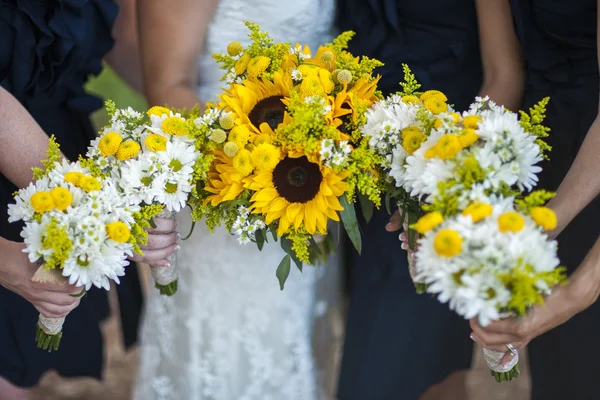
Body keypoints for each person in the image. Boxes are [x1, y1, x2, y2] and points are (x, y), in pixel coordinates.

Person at [133, 0, 343, 399]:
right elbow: (167, 84)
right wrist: (258, 155)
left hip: (314, 185)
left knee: (294, 342)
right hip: (228, 184)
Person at [335, 0, 525, 398]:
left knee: (391, 377)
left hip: (437, 186)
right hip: (353, 187)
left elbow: (504, 75)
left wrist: (441, 178)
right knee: (413, 370)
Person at [0, 1, 157, 397]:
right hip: (35, 165)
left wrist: (189, 99)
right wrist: (101, 208)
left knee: (24, 362)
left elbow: (111, 28)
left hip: (54, 139)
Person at [470, 3, 600, 397]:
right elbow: (503, 76)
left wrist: (579, 285)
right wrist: (446, 188)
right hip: (549, 156)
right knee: (567, 372)